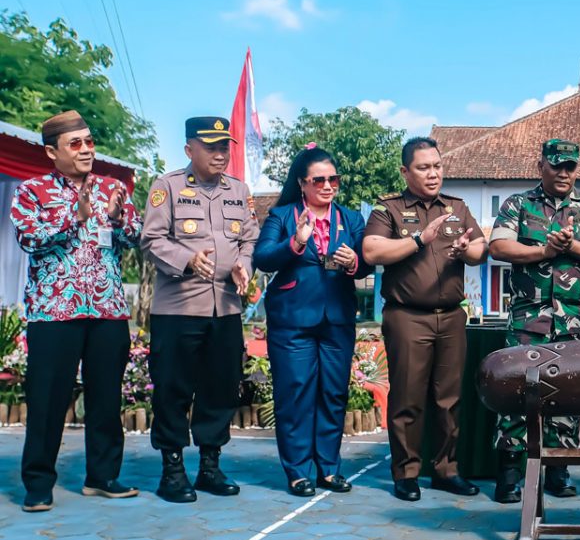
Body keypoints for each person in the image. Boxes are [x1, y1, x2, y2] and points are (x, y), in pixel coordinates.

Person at [11, 110, 141, 512]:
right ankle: (38, 483)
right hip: (54, 312)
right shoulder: (32, 191)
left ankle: (102, 477)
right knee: (47, 399)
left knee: (106, 398)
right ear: (53, 151)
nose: (87, 150)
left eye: (89, 141)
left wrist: (120, 220)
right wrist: (75, 217)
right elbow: (28, 238)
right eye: (76, 144)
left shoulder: (111, 187)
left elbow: (135, 238)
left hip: (106, 309)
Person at [490, 139, 580, 503]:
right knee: (516, 389)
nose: (564, 173)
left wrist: (572, 246)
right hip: (528, 319)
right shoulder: (519, 203)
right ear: (540, 165)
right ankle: (510, 473)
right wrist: (545, 251)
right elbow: (499, 247)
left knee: (571, 392)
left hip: (574, 320)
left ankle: (559, 471)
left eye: (570, 167)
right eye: (557, 165)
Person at [362, 137, 488, 502]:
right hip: (408, 317)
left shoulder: (457, 207)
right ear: (405, 171)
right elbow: (372, 250)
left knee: (449, 399)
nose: (433, 174)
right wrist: (418, 239)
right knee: (408, 398)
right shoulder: (388, 209)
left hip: (450, 316)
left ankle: (446, 470)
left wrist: (469, 250)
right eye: (423, 167)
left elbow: (482, 248)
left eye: (437, 166)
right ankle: (407, 473)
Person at [141, 117, 258, 503]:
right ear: (190, 149)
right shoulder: (168, 187)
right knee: (173, 389)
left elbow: (250, 238)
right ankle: (172, 469)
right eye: (211, 147)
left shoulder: (239, 191)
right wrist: (188, 260)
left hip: (225, 308)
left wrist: (245, 264)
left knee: (221, 387)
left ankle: (210, 466)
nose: (220, 153)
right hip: (178, 309)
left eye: (225, 146)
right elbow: (151, 240)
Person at [254, 146, 374, 496]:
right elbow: (263, 258)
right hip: (292, 318)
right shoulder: (283, 215)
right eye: (318, 180)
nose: (327, 185)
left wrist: (354, 261)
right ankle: (298, 471)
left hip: (336, 316)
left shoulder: (351, 219)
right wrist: (295, 242)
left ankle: (329, 468)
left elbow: (367, 263)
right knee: (295, 393)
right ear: (302, 183)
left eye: (332, 179)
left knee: (333, 393)